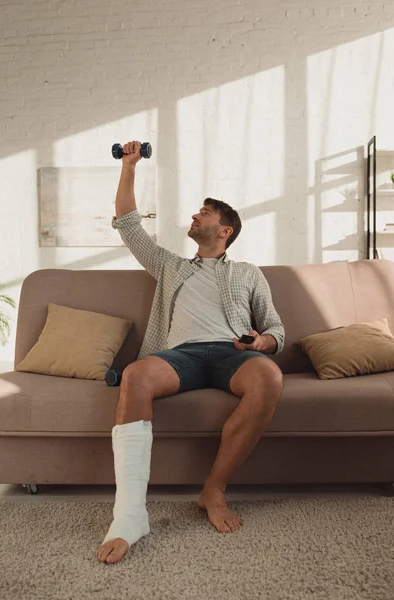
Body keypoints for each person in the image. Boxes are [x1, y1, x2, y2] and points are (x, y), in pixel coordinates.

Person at [97, 141, 285, 564]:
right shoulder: (170, 265)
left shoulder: (248, 273)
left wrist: (261, 343)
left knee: (269, 377)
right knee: (135, 375)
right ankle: (129, 515)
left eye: (205, 212)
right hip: (177, 355)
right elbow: (129, 225)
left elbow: (275, 329)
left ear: (225, 231)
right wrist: (129, 166)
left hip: (232, 355)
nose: (195, 215)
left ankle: (212, 490)